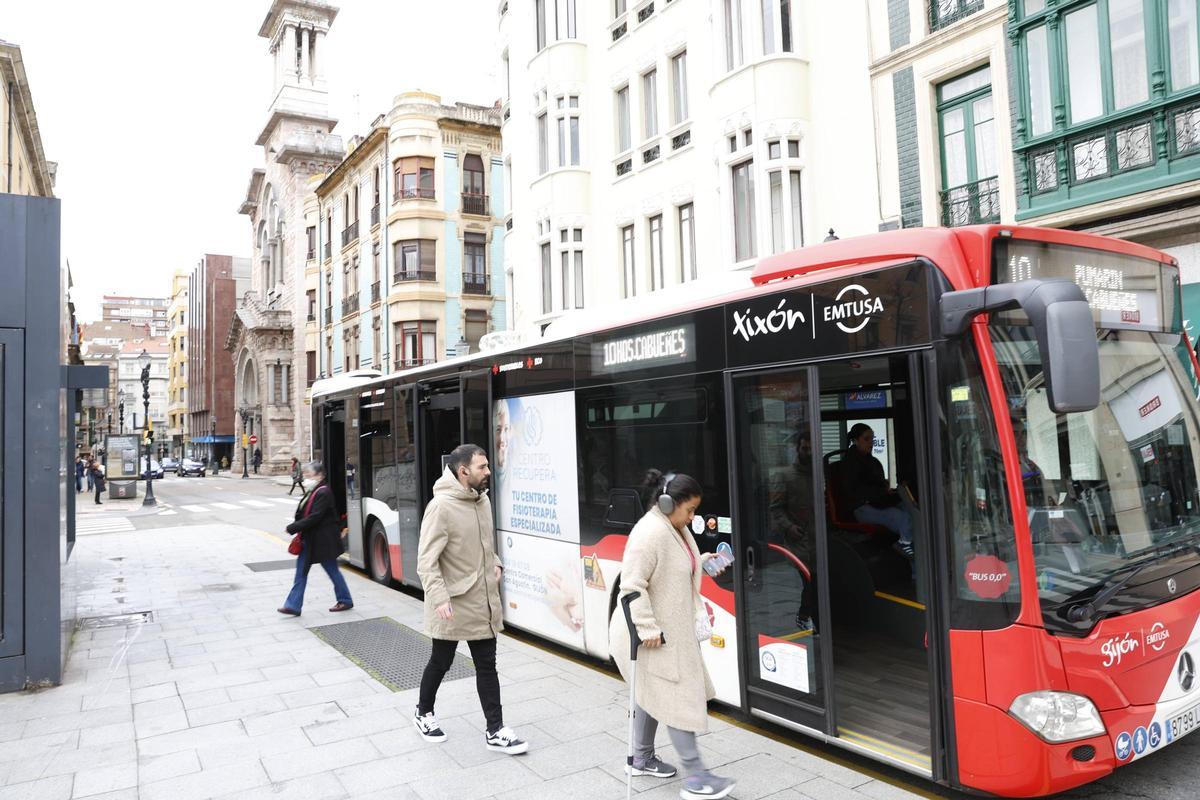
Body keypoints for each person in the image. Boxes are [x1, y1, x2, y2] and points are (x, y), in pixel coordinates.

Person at [609, 470, 736, 800]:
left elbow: (677, 565)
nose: (693, 517)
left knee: (652, 691)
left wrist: (702, 562)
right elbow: (631, 585)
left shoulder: (674, 528)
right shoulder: (650, 533)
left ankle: (640, 757)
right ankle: (696, 778)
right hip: (650, 634)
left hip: (669, 631)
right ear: (667, 503)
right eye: (690, 509)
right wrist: (648, 629)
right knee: (677, 695)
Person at [413, 444, 528, 755]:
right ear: (463, 472)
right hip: (451, 601)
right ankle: (423, 712)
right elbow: (426, 560)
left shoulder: (482, 501)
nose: (488, 472)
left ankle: (495, 730)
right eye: (482, 467)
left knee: (486, 664)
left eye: (487, 465)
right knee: (441, 661)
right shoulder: (441, 507)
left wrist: (496, 563)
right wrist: (438, 597)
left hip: (482, 599)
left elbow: (484, 545)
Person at [278, 461, 354, 616]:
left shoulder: (323, 492)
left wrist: (293, 527)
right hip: (311, 540)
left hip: (322, 542)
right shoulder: (314, 490)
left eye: (308, 474)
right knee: (301, 573)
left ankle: (345, 600)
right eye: (305, 474)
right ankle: (293, 605)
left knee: (332, 571)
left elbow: (315, 517)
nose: (306, 477)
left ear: (319, 475)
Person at [768, 431, 818, 630]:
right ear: (797, 449)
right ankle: (804, 616)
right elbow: (775, 509)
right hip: (799, 540)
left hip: (818, 538)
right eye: (805, 448)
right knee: (808, 583)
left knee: (817, 583)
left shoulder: (818, 473)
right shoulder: (784, 476)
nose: (808, 452)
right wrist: (789, 527)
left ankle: (811, 617)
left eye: (811, 448)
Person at [842, 423, 914, 557]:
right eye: (866, 439)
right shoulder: (850, 464)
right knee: (901, 518)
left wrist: (887, 493)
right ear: (855, 440)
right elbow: (855, 491)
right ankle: (905, 545)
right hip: (862, 506)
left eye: (872, 439)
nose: (871, 443)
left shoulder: (873, 462)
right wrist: (880, 494)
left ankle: (908, 542)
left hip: (877, 501)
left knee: (908, 509)